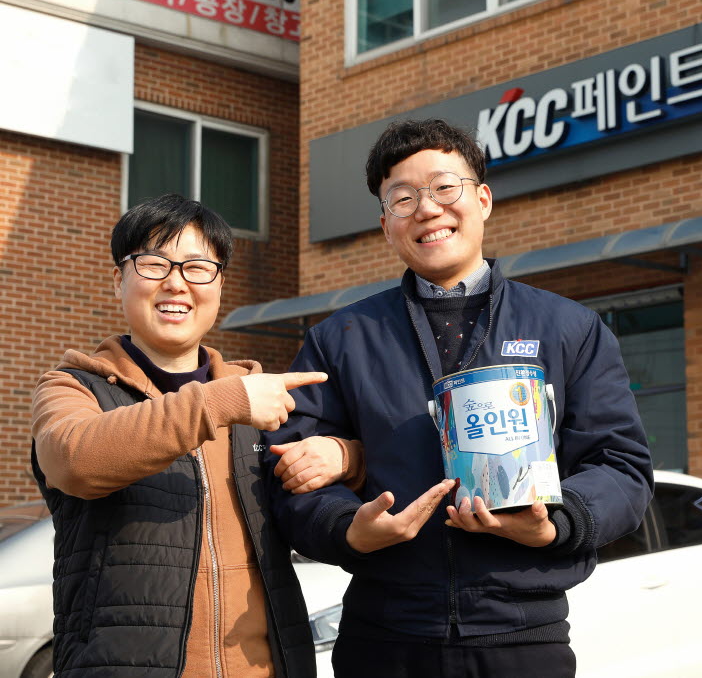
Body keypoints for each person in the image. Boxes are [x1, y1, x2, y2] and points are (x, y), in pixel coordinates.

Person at [264, 118, 654, 678]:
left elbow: (621, 466)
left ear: (483, 199)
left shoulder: (569, 328)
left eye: (445, 188)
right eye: (403, 198)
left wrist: (555, 522)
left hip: (524, 637)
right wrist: (347, 527)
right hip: (382, 638)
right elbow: (290, 475)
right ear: (386, 225)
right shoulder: (339, 339)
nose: (427, 209)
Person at [30, 193, 362, 677]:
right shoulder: (73, 388)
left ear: (220, 284)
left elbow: (312, 506)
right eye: (153, 264)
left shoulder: (262, 398)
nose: (176, 282)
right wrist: (220, 402)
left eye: (197, 267)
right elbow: (73, 461)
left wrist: (345, 455)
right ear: (118, 280)